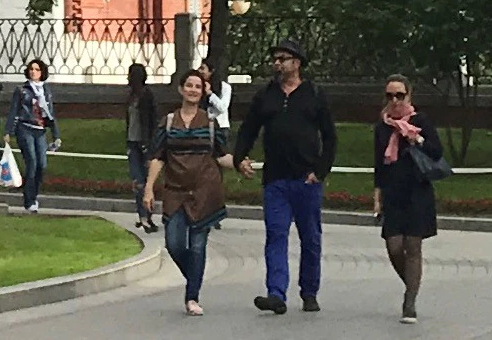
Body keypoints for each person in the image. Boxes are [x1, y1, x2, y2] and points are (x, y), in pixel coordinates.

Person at [233, 38, 335, 314]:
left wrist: (320, 171)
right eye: (275, 59)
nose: (277, 64)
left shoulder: (314, 94)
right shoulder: (266, 95)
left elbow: (330, 136)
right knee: (276, 235)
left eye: (283, 59)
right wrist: (239, 157)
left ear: (297, 63)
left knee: (310, 238)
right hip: (276, 179)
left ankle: (309, 291)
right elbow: (249, 129)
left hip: (306, 178)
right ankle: (276, 292)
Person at [141, 66, 230, 315]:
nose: (193, 90)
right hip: (175, 192)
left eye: (198, 86)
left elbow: (221, 156)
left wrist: (240, 163)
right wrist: (149, 189)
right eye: (189, 85)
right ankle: (195, 275)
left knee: (198, 246)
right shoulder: (169, 122)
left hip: (205, 192)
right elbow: (158, 157)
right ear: (181, 89)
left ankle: (192, 297)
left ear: (203, 91)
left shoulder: (210, 123)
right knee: (175, 244)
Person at [372, 74, 444, 323]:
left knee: (413, 246)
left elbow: (437, 151)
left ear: (408, 96)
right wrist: (377, 197)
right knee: (393, 247)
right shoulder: (382, 127)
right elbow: (379, 165)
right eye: (390, 96)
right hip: (393, 193)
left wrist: (418, 139)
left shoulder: (420, 121)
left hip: (417, 191)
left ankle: (410, 301)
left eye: (399, 95)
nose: (395, 101)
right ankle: (411, 284)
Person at [8, 57, 57, 212]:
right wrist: (8, 131)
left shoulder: (45, 91)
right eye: (31, 69)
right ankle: (29, 200)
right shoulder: (22, 90)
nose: (33, 72)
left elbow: (50, 114)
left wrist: (56, 135)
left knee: (42, 164)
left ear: (42, 72)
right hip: (25, 128)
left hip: (40, 130)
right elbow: (14, 110)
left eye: (37, 69)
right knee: (32, 162)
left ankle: (34, 195)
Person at [123, 61, 160, 229]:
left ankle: (147, 215)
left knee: (146, 182)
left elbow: (153, 122)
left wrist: (151, 145)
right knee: (137, 181)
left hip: (144, 144)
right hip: (132, 142)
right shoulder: (131, 96)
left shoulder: (147, 95)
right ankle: (142, 215)